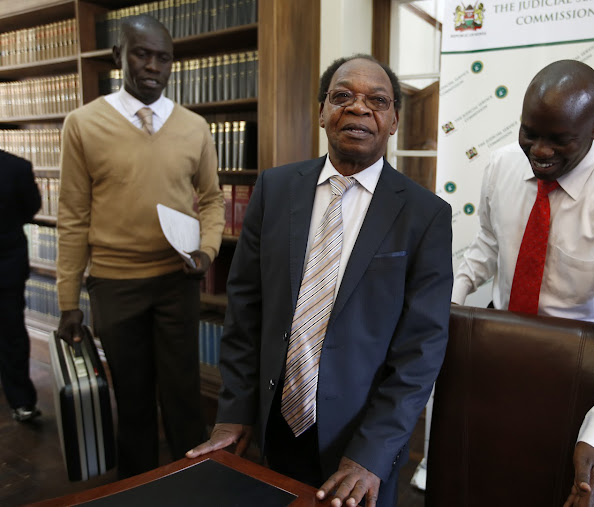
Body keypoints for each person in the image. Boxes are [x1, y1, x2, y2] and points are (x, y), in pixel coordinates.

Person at [186, 54, 453, 507]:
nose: (358, 108)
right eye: (342, 95)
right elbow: (246, 310)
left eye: (377, 100)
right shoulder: (274, 189)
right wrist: (234, 412)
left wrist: (371, 453)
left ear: (393, 121)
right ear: (322, 111)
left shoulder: (425, 215)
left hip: (359, 444)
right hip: (274, 425)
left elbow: (421, 350)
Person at [452, 59, 594, 507]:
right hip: (497, 350)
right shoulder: (501, 167)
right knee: (482, 479)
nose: (540, 150)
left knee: (556, 489)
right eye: (530, 132)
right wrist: (444, 310)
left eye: (559, 138)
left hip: (576, 371)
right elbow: (487, 246)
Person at [55, 15, 225, 478]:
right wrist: (68, 299)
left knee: (184, 397)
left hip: (177, 283)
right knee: (131, 399)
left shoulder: (194, 127)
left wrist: (207, 251)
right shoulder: (83, 124)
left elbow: (212, 201)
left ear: (173, 65)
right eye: (141, 54)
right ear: (119, 57)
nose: (152, 66)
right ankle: (139, 490)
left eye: (162, 58)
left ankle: (193, 484)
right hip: (114, 285)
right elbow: (72, 215)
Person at [0, 149, 42, 423]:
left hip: (7, 265)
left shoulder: (17, 167)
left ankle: (22, 401)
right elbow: (30, 208)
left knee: (12, 331)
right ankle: (21, 402)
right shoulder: (16, 166)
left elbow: (32, 207)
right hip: (7, 260)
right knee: (11, 331)